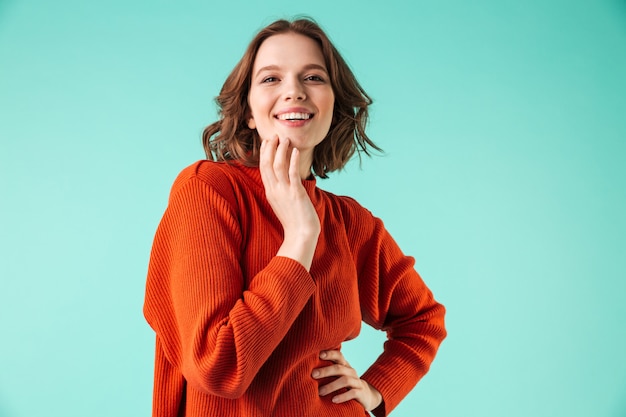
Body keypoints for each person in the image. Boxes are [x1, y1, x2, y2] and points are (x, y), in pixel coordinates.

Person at [143, 17, 446, 417]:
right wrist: (300, 237)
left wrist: (375, 390)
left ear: (333, 104)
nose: (294, 92)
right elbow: (220, 368)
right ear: (248, 111)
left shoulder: (352, 223)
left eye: (314, 78)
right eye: (271, 79)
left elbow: (423, 319)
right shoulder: (208, 191)